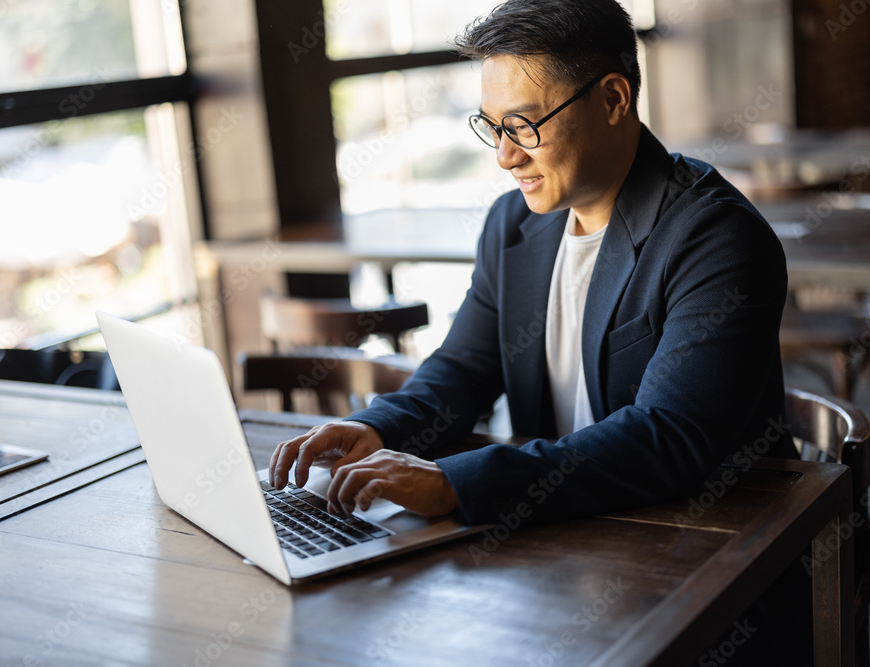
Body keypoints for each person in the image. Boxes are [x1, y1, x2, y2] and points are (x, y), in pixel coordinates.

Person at [271, 2, 807, 662]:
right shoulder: (515, 226)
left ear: (613, 98)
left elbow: (670, 439)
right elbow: (463, 369)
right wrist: (381, 427)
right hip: (561, 551)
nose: (502, 157)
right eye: (492, 128)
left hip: (704, 573)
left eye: (523, 126)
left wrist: (456, 484)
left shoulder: (715, 237)